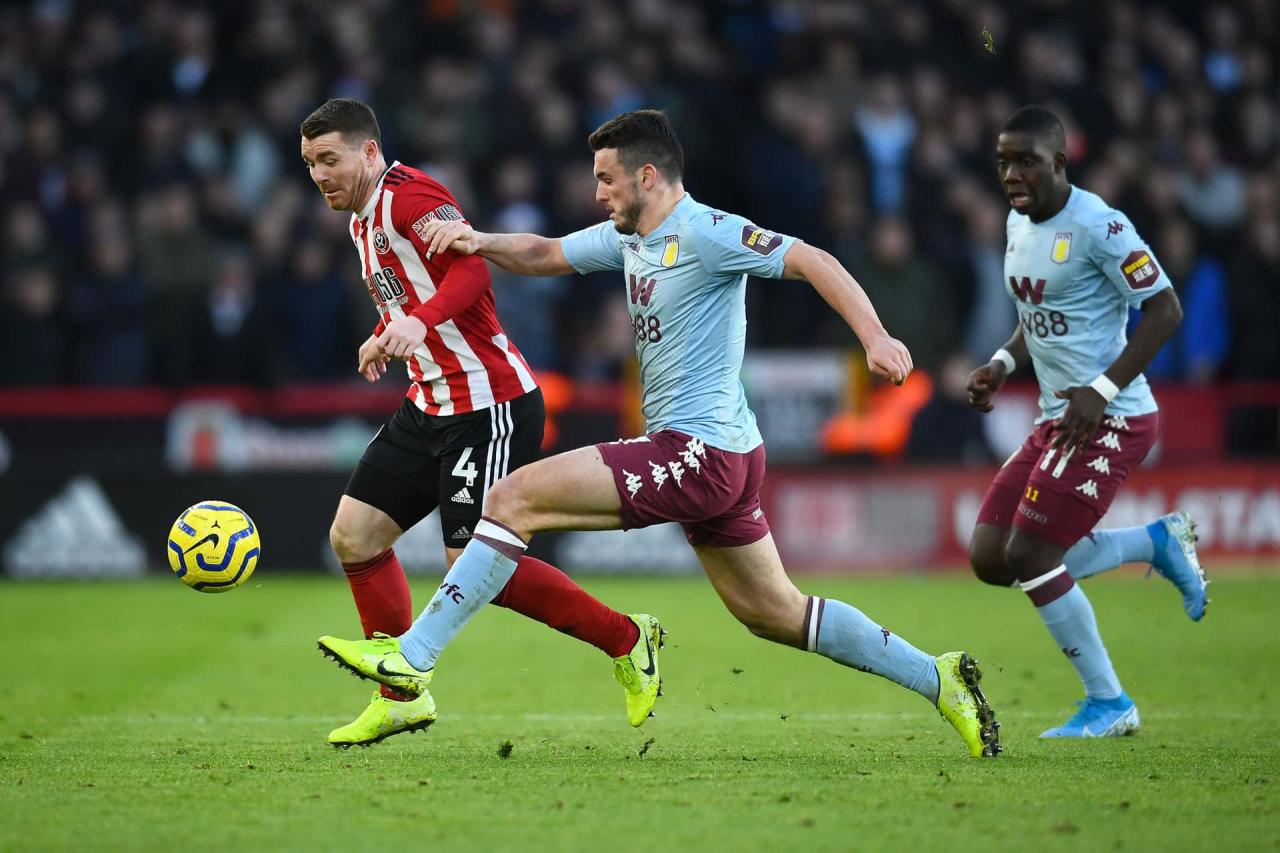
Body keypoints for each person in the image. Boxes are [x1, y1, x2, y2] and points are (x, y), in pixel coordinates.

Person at [318, 110, 1002, 758]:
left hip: (698, 450)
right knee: (776, 612)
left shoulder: (707, 231)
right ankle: (940, 677)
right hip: (725, 455)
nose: (597, 192)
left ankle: (413, 658)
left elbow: (812, 258)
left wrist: (876, 336)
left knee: (513, 499)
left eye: (607, 178)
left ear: (649, 176)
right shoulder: (629, 236)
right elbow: (547, 253)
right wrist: (480, 241)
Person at [299, 98, 663, 747]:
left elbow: (469, 268)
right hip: (429, 402)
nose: (320, 174)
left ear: (370, 153)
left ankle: (629, 639)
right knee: (354, 535)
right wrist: (388, 331)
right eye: (310, 164)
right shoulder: (361, 222)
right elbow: (417, 295)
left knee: (472, 565)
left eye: (331, 159)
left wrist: (417, 320)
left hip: (487, 403)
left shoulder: (411, 196)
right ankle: (401, 696)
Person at [964, 106, 1209, 739]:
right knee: (992, 556)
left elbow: (1165, 309)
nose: (1012, 174)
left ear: (1059, 163)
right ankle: (1154, 543)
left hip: (1113, 417)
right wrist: (999, 361)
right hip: (1060, 419)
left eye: (1025, 161)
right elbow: (1039, 312)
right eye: (1002, 162)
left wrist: (1101, 390)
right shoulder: (1017, 224)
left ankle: (1110, 703)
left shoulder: (1102, 226)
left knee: (1033, 552)